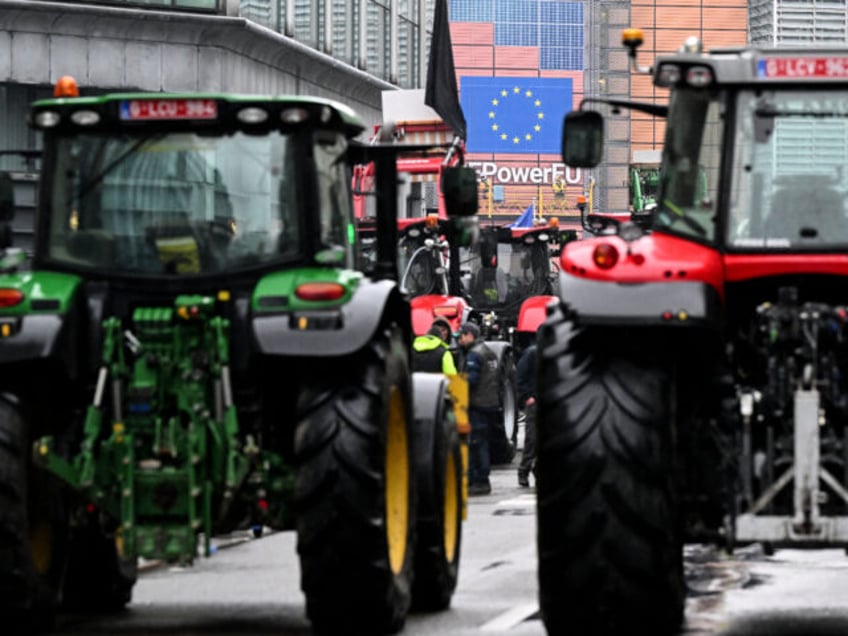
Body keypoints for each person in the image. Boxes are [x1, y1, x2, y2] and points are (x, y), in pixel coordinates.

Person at [458, 322, 500, 495]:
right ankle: (481, 479)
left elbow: (471, 380)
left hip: (476, 405)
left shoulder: (474, 355)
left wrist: (457, 387)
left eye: (461, 336)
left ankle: (480, 481)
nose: (459, 340)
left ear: (470, 335)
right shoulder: (489, 351)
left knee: (476, 443)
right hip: (490, 403)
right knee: (483, 442)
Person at [515, 343, 537, 488]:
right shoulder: (532, 353)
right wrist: (527, 396)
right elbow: (520, 377)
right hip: (535, 402)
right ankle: (524, 470)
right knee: (532, 439)